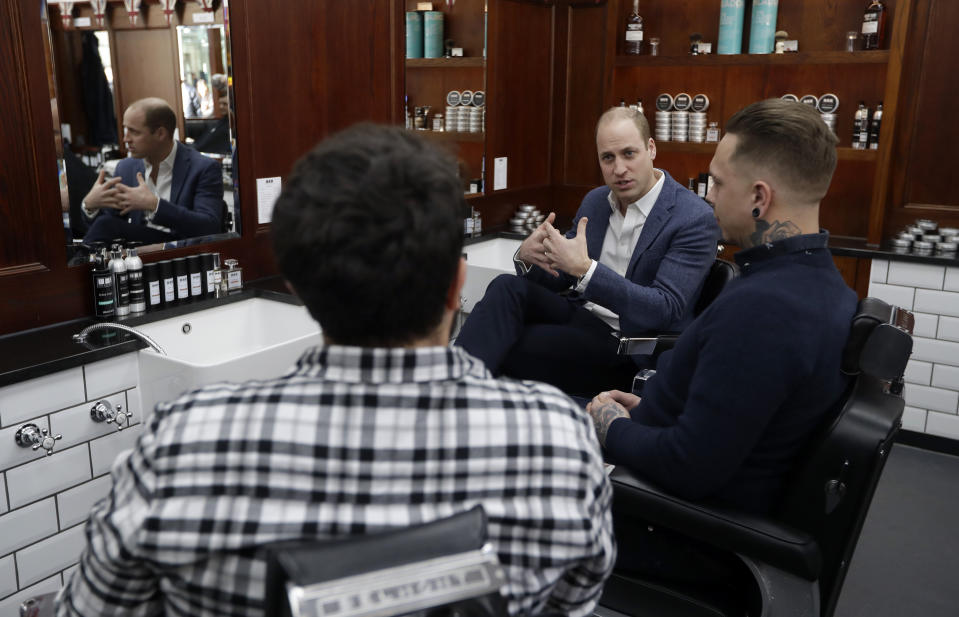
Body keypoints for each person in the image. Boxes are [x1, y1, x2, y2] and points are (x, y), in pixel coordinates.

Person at [57, 124, 615, 617]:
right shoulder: (558, 441)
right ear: (455, 286)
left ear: (299, 287)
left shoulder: (181, 450)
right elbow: (570, 600)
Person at [585, 98, 858, 583]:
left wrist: (612, 428)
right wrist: (648, 400)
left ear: (759, 197)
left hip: (669, 526)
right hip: (666, 465)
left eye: (717, 182)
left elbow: (690, 466)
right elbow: (726, 408)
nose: (709, 197)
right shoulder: (821, 286)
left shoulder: (766, 311)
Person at [455, 106, 720, 396]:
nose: (619, 169)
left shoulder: (692, 217)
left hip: (627, 345)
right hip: (582, 317)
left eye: (629, 154)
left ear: (651, 148)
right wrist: (529, 258)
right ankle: (452, 389)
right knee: (506, 286)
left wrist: (586, 271)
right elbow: (561, 277)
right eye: (608, 158)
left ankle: (450, 395)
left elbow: (663, 308)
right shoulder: (596, 201)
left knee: (506, 342)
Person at [80, 97, 223, 245]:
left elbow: (209, 227)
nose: (125, 139)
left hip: (181, 250)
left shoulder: (203, 167)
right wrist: (90, 206)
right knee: (105, 225)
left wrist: (155, 205)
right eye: (125, 129)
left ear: (160, 134)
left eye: (134, 132)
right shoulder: (126, 167)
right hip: (138, 253)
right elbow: (103, 227)